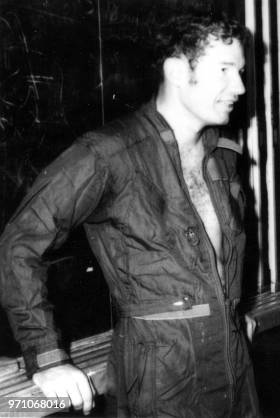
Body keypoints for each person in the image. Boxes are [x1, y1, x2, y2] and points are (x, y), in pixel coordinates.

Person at [0, 14, 259, 417]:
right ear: (176, 70)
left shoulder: (222, 156)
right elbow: (18, 242)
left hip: (233, 362)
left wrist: (231, 313)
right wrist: (47, 356)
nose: (239, 86)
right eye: (224, 70)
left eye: (240, 71)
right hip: (161, 375)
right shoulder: (108, 153)